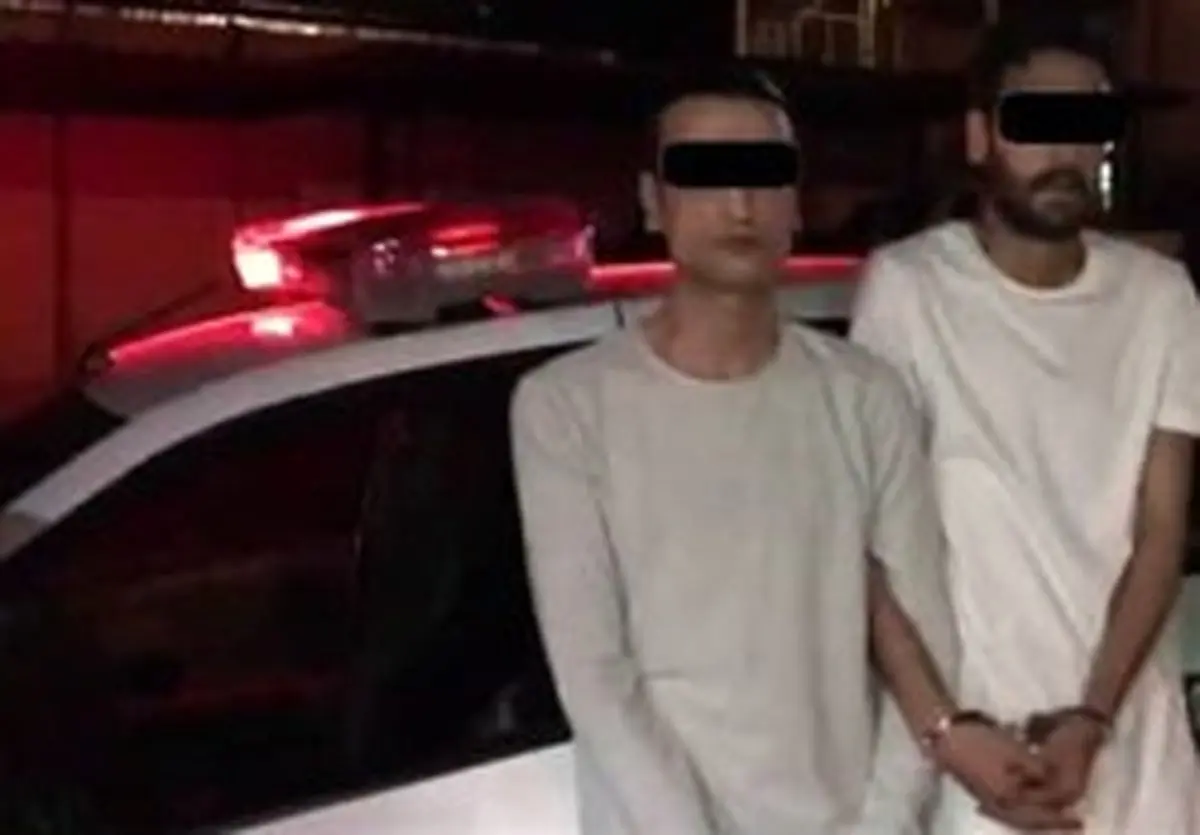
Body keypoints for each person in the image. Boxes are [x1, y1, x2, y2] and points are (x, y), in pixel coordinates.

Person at [510, 67, 1066, 835]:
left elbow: (923, 629)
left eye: (764, 175)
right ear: (652, 201)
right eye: (705, 174)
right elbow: (595, 672)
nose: (740, 204)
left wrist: (882, 822)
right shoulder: (567, 405)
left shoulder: (864, 395)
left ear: (795, 202)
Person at [850, 16, 1200, 835]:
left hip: (1137, 762)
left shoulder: (1160, 298)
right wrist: (945, 731)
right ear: (981, 136)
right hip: (979, 760)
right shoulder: (909, 289)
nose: (1064, 152)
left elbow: (1160, 533)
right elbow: (860, 540)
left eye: (1086, 124)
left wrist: (1093, 718)